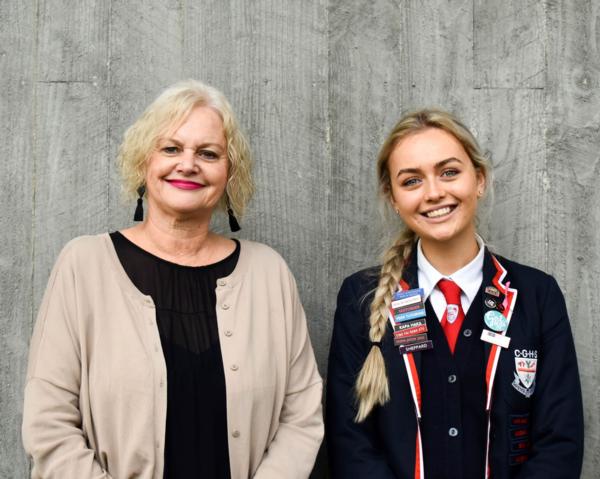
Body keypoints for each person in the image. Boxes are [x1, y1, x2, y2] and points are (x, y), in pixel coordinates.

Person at [22, 80, 323, 479]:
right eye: (171, 148)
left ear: (229, 173)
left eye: (208, 153)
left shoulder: (270, 274)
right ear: (143, 161)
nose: (187, 164)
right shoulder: (84, 265)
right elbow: (49, 423)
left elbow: (301, 415)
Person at [326, 109, 584, 478]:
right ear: (393, 196)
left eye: (449, 172)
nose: (434, 193)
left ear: (479, 179)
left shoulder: (537, 295)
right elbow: (351, 442)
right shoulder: (361, 297)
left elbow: (560, 441)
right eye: (412, 181)